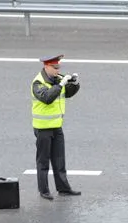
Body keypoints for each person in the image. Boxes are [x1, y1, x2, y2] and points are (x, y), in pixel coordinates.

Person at [31, 54, 81, 200]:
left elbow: (67, 94)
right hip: (43, 128)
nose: (57, 70)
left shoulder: (58, 79)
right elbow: (47, 98)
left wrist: (74, 84)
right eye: (54, 67)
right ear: (46, 66)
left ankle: (63, 188)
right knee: (43, 161)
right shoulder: (38, 83)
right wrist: (60, 85)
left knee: (59, 160)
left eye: (58, 67)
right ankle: (44, 190)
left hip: (56, 126)